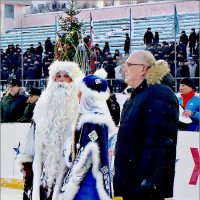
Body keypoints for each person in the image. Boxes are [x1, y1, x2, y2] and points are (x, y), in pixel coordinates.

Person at [113, 51, 179, 200]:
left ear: (143, 68)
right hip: (127, 186)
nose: (124, 68)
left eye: (129, 65)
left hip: (143, 190)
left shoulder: (159, 95)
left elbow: (159, 146)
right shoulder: (135, 96)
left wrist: (145, 185)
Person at [17, 60, 83, 200]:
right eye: (58, 76)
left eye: (66, 76)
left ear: (73, 79)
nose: (61, 80)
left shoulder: (79, 107)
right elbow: (32, 135)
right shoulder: (41, 104)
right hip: (41, 169)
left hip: (68, 173)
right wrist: (26, 161)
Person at [59, 69, 115, 200]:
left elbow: (85, 156)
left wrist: (71, 184)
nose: (78, 95)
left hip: (89, 183)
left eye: (81, 92)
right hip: (98, 178)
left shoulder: (92, 121)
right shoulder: (101, 117)